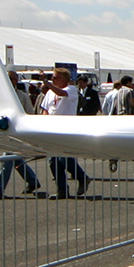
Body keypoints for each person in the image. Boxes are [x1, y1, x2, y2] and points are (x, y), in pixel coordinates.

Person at [39, 68, 90, 198]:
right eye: (52, 77)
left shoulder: (71, 89)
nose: (53, 80)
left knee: (64, 158)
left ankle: (82, 177)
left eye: (56, 77)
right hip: (52, 129)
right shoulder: (50, 92)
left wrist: (46, 82)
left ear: (64, 79)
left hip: (66, 129)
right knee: (53, 161)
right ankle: (62, 190)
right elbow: (45, 108)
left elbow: (61, 93)